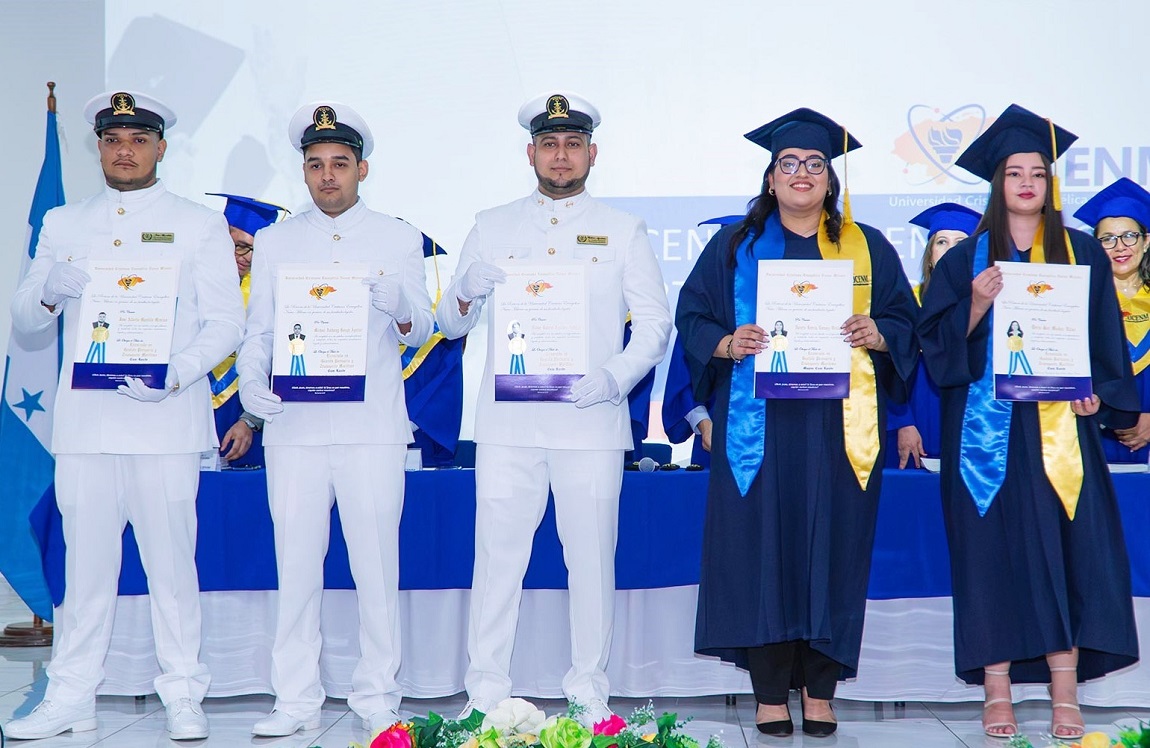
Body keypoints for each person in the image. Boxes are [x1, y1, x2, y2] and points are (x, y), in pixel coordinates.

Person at [4, 90, 244, 741]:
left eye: (138, 139)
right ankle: (71, 697)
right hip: (86, 428)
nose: (125, 150)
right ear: (100, 147)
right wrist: (48, 292)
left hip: (166, 422)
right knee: (84, 576)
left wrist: (178, 371)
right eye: (114, 139)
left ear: (161, 146)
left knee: (172, 568)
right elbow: (24, 316)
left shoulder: (194, 224)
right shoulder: (64, 223)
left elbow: (227, 322)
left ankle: (185, 694)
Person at [676, 108, 918, 738]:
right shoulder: (733, 247)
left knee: (832, 546)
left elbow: (904, 320)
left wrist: (882, 334)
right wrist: (727, 343)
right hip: (759, 424)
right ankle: (768, 691)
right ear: (771, 176)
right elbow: (693, 317)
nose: (803, 173)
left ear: (830, 180)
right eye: (790, 164)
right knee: (761, 548)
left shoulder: (868, 247)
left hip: (839, 425)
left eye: (816, 164)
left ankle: (820, 688)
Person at [436, 91, 671, 722]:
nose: (560, 155)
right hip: (509, 425)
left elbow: (654, 325)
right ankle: (484, 691)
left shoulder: (623, 229)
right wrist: (463, 291)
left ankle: (589, 688)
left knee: (591, 561)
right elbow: (449, 326)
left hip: (589, 423)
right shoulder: (491, 224)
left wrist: (616, 377)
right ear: (531, 152)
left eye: (572, 145)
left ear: (591, 152)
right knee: (496, 559)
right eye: (548, 144)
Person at [917, 104, 1140, 740]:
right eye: (1014, 172)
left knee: (1070, 550)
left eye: (1037, 173)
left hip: (1058, 430)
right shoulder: (964, 264)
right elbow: (937, 351)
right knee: (989, 554)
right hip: (984, 433)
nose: (1026, 183)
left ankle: (1064, 689)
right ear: (996, 182)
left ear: (1049, 184)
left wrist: (1098, 396)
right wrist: (977, 304)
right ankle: (997, 690)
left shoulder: (1084, 258)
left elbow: (1105, 349)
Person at [237, 101, 434, 737]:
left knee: (377, 567)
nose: (328, 176)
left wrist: (402, 304)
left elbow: (423, 329)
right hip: (294, 429)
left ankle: (378, 695)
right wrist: (248, 383)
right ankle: (294, 699)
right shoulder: (274, 241)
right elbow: (259, 330)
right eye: (316, 165)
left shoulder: (398, 237)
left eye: (340, 164)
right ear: (304, 171)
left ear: (362, 169)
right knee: (294, 566)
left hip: (370, 430)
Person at [887, 203, 981, 468]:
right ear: (930, 255)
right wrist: (903, 421)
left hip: (974, 422)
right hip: (915, 420)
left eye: (961, 242)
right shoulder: (906, 304)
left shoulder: (990, 307)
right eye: (942, 241)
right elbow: (888, 368)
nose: (951, 250)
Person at [205, 193, 286, 468]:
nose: (246, 258)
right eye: (239, 246)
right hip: (190, 412)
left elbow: (283, 363)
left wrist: (251, 419)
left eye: (254, 250)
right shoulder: (192, 288)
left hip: (247, 421)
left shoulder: (273, 297)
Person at [1073, 178, 1150, 463]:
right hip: (1097, 429)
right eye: (1107, 239)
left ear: (1147, 240)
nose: (1120, 247)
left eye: (1129, 236)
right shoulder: (1082, 301)